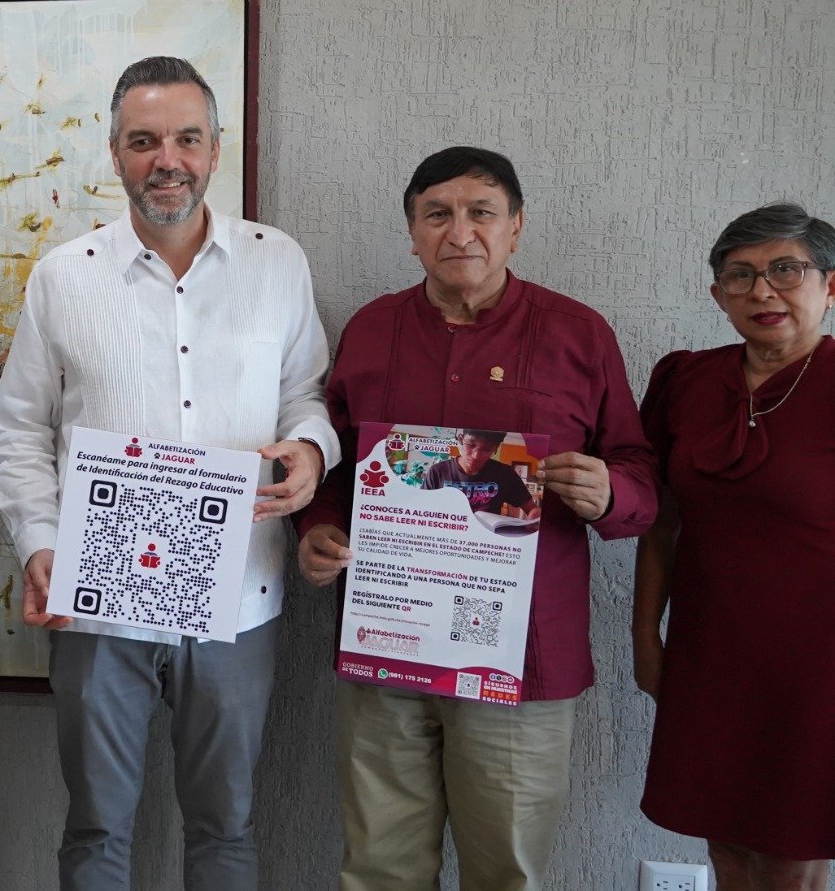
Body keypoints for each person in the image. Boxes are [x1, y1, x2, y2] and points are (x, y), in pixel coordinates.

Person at [0, 56, 339, 890]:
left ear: (216, 148)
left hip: (239, 593)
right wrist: (41, 544)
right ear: (115, 153)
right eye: (144, 141)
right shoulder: (64, 276)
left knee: (225, 826)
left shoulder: (277, 262)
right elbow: (19, 427)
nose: (166, 160)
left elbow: (307, 395)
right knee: (95, 828)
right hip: (98, 595)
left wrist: (310, 451)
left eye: (186, 138)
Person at [297, 146, 659, 891]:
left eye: (481, 212)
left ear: (516, 226)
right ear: (413, 233)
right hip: (388, 643)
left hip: (520, 660)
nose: (459, 232)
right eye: (437, 214)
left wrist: (609, 491)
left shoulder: (577, 333)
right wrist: (317, 532)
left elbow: (639, 475)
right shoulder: (371, 329)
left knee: (506, 874)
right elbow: (335, 463)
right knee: (379, 869)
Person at [632, 203, 835, 891]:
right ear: (718, 296)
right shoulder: (686, 380)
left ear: (829, 286)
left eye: (786, 270)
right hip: (710, 650)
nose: (763, 291)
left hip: (816, 664)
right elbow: (661, 523)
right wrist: (646, 639)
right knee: (724, 844)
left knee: (791, 858)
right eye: (740, 276)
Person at [422, 428, 540, 519]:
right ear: (461, 439)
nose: (476, 456)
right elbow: (421, 510)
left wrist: (535, 517)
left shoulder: (505, 474)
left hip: (487, 540)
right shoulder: (438, 471)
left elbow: (532, 509)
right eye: (471, 445)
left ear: (496, 448)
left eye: (486, 449)